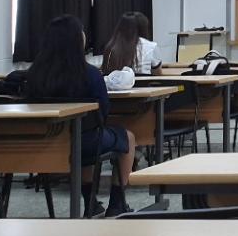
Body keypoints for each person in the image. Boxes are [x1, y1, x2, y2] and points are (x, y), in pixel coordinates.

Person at [26, 14, 137, 217]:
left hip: (43, 142)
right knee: (126, 138)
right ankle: (117, 203)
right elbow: (103, 111)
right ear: (77, 39)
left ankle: (90, 201)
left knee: (83, 137)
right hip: (83, 142)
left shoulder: (34, 74)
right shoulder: (89, 73)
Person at [102, 11, 163, 76]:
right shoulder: (151, 46)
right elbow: (157, 73)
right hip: (144, 82)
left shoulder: (111, 46)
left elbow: (106, 71)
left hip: (116, 82)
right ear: (143, 28)